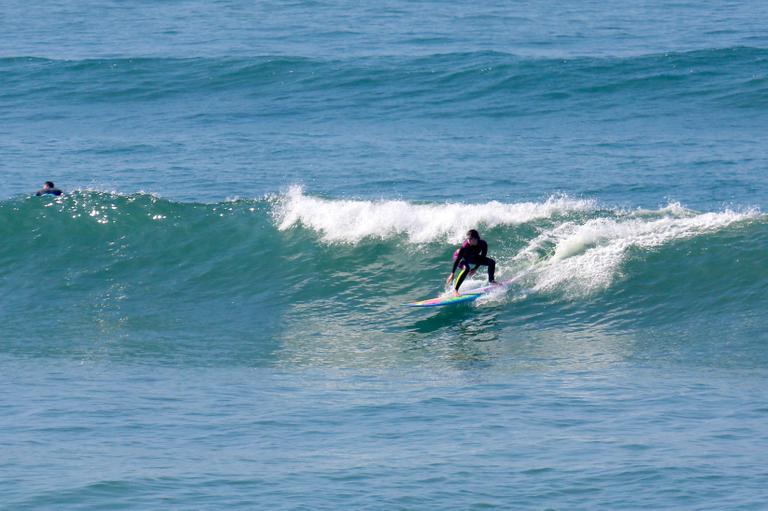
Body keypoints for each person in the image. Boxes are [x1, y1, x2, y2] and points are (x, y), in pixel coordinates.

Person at [446, 229, 496, 295]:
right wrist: (452, 273)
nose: (468, 240)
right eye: (467, 239)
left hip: (471, 257)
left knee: (491, 262)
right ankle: (455, 290)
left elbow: (482, 257)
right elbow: (458, 260)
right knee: (466, 269)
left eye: (470, 239)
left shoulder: (483, 244)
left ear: (475, 239)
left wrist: (475, 268)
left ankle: (491, 281)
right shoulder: (465, 246)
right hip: (459, 258)